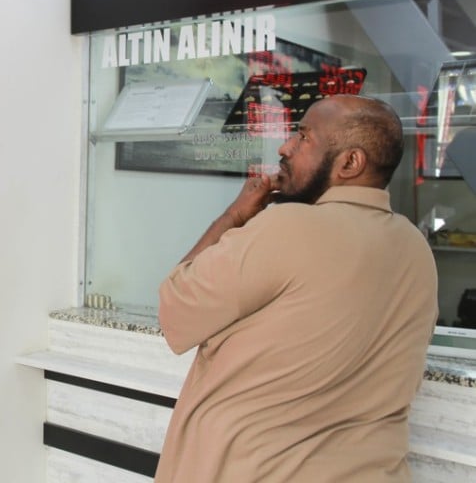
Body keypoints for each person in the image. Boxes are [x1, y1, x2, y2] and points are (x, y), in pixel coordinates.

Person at [155, 94, 438, 482]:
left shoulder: (288, 226)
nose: (285, 147)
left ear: (350, 163)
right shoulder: (416, 249)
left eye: (304, 137)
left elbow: (175, 308)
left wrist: (234, 215)